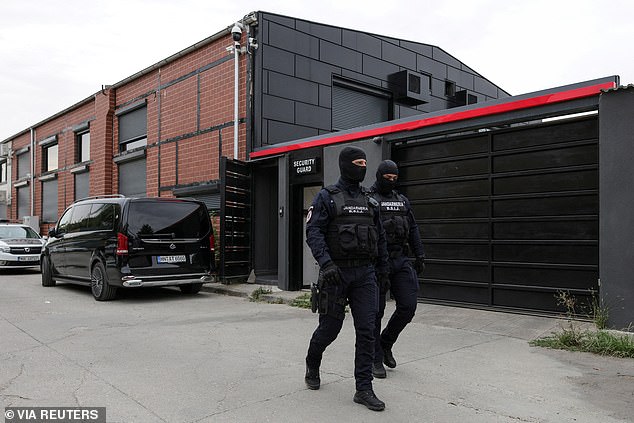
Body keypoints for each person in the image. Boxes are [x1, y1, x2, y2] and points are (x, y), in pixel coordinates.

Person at [304, 146, 389, 412]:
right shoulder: (326, 197)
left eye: (365, 162)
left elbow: (381, 236)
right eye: (358, 162)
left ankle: (363, 388)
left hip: (365, 274)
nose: (363, 167)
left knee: (367, 331)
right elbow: (314, 231)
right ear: (345, 165)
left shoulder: (370, 200)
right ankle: (313, 361)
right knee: (330, 329)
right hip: (335, 274)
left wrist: (383, 270)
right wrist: (326, 263)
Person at [369, 160, 425, 379]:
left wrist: (419, 254)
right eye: (387, 178)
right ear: (379, 175)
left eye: (394, 178)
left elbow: (413, 228)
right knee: (375, 312)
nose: (390, 181)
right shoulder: (369, 199)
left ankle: (385, 343)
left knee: (408, 306)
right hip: (376, 262)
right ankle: (374, 356)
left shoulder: (402, 201)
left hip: (400, 259)